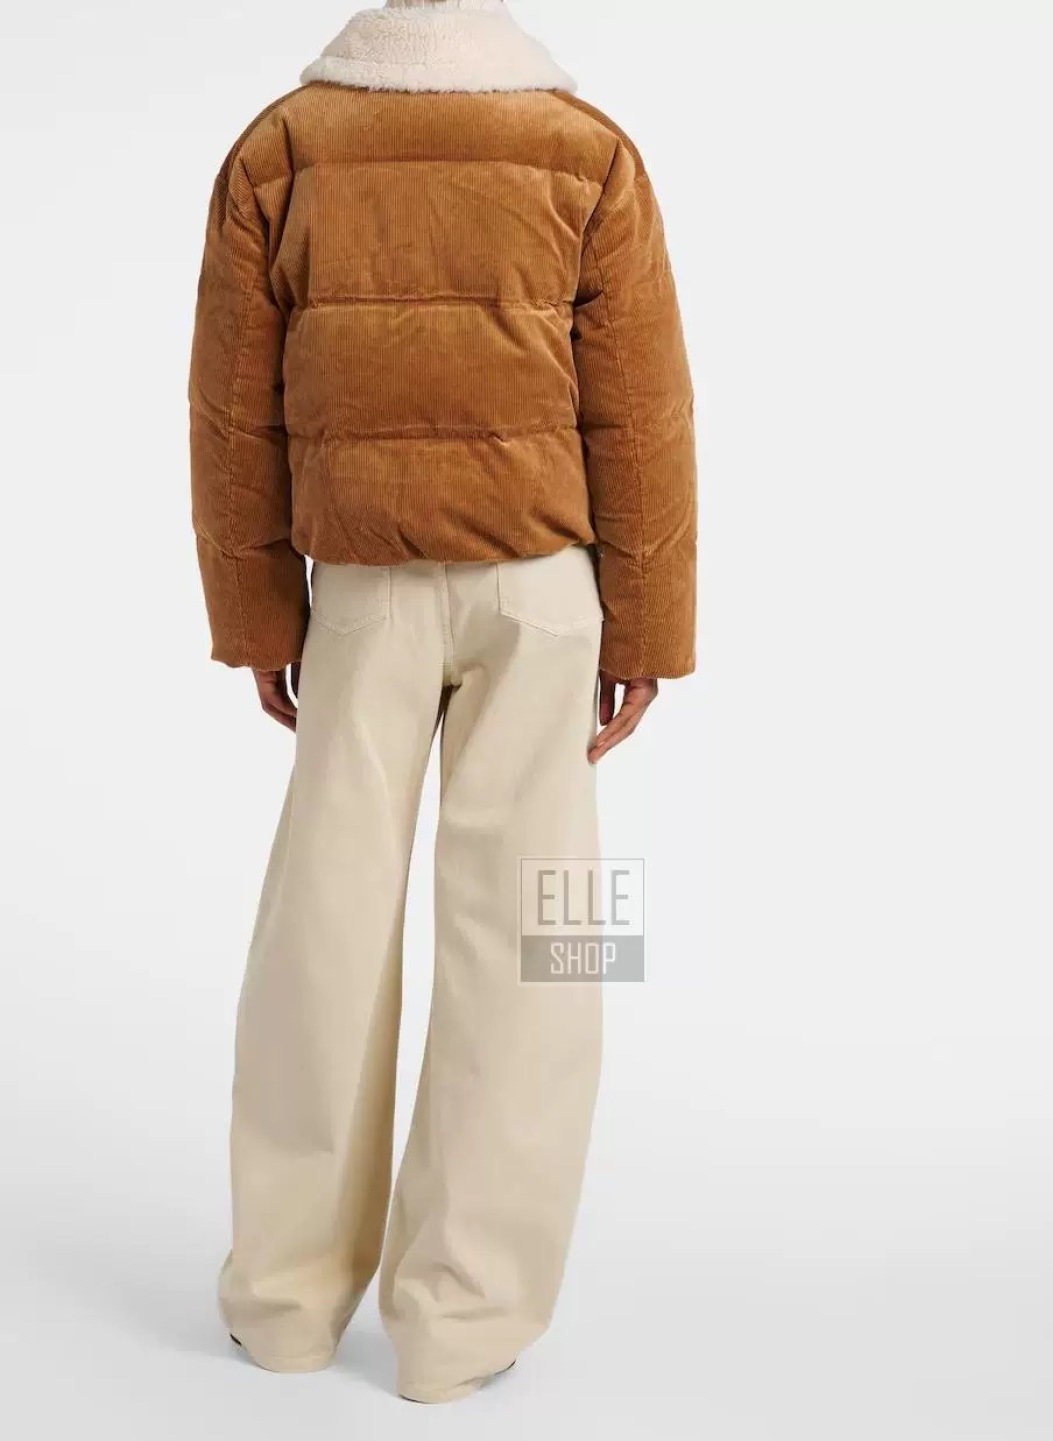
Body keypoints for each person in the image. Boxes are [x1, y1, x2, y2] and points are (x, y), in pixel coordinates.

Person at [189, 0, 696, 1405]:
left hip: (357, 593)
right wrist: (649, 628)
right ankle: (466, 1323)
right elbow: (644, 411)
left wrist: (258, 617)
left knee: (321, 925)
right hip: (547, 596)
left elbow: (231, 413)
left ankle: (284, 1302)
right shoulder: (588, 149)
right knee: (550, 941)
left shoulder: (283, 146)